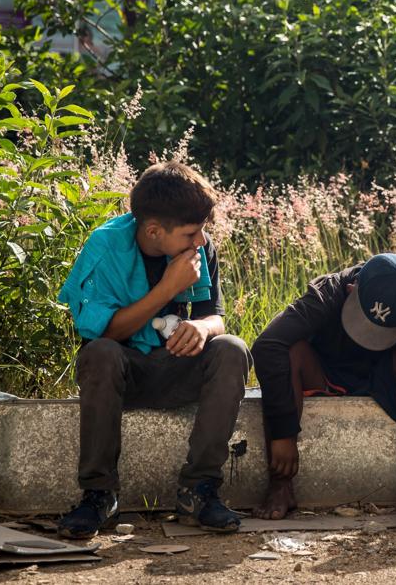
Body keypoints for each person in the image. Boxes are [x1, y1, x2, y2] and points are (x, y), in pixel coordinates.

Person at [55, 161, 251, 538]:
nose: (199, 241)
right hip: (122, 374)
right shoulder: (106, 246)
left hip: (175, 366)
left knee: (231, 348)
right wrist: (165, 288)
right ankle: (99, 495)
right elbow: (103, 333)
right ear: (154, 231)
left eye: (202, 233)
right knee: (100, 353)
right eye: (191, 234)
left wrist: (200, 327)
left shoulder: (198, 246)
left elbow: (216, 317)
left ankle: (199, 489)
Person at [250, 253, 396, 520]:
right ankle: (280, 486)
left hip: (385, 377)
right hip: (327, 373)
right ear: (351, 290)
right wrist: (283, 433)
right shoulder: (328, 293)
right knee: (290, 350)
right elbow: (267, 345)